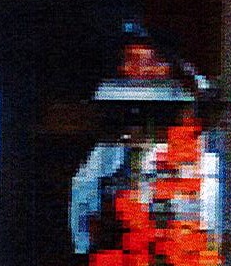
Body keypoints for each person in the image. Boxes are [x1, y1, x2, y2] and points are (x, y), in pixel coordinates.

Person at [68, 25, 221, 252]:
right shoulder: (114, 132)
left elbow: (207, 197)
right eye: (131, 60)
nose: (138, 71)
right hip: (124, 246)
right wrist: (85, 241)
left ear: (166, 67)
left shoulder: (189, 114)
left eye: (148, 62)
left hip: (177, 244)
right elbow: (84, 187)